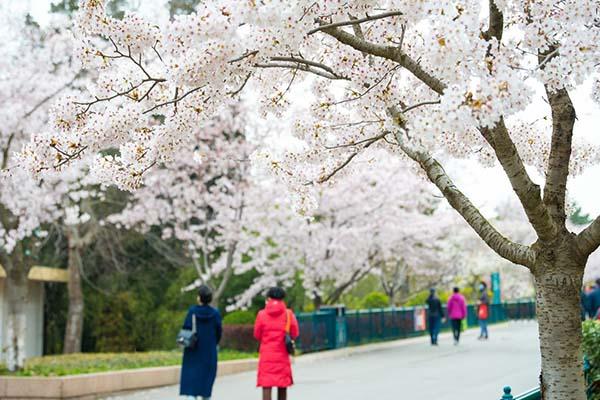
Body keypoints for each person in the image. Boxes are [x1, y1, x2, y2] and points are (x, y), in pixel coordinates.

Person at [254, 287, 299, 400]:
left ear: (269, 298)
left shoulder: (261, 314)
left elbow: (257, 334)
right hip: (282, 355)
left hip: (266, 356)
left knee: (266, 385)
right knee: (282, 385)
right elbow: (295, 333)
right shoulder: (288, 314)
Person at [180, 285, 223, 400]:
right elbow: (219, 332)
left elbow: (186, 328)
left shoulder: (192, 312)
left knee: (192, 383)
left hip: (193, 351)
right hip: (209, 352)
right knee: (206, 383)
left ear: (199, 298)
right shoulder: (215, 314)